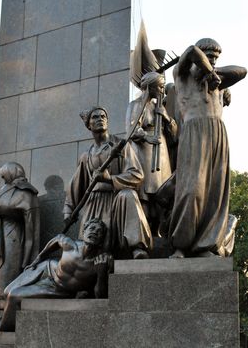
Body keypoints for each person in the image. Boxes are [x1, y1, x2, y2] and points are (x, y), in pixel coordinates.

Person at [169, 38, 247, 258]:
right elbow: (191, 50)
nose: (212, 60)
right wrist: (207, 70)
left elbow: (242, 71)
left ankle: (205, 244)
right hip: (194, 130)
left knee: (215, 192)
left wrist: (214, 74)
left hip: (218, 133)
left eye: (215, 57)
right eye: (209, 56)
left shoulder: (218, 81)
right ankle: (180, 245)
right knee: (191, 189)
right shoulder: (182, 74)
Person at [64, 106, 152, 259]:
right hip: (94, 203)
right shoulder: (86, 156)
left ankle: (137, 247)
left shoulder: (121, 146)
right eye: (95, 117)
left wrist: (110, 179)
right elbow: (76, 184)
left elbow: (137, 175)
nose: (100, 119)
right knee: (88, 254)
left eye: (103, 116)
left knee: (128, 194)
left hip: (116, 199)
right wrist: (68, 210)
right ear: (89, 125)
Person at [0, 218, 113, 331]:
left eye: (99, 232)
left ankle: (3, 326)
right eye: (92, 229)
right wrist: (38, 259)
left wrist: (101, 273)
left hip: (60, 289)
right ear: (84, 230)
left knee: (13, 295)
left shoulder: (103, 259)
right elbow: (57, 238)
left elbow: (101, 297)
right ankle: (7, 315)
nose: (95, 233)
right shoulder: (71, 245)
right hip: (49, 268)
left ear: (102, 238)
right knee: (6, 291)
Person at [125, 72, 178, 231]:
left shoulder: (159, 107)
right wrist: (147, 138)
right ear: (150, 87)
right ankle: (145, 226)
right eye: (160, 87)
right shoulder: (136, 105)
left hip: (161, 152)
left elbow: (174, 134)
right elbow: (131, 129)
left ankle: (162, 226)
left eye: (163, 86)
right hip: (145, 151)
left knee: (163, 188)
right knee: (147, 190)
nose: (162, 90)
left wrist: (166, 117)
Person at [0, 162, 40, 308]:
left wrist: (29, 259)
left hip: (15, 238)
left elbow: (32, 229)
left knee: (9, 272)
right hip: (1, 236)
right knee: (0, 272)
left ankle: (9, 308)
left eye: (5, 176)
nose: (3, 180)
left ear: (12, 173)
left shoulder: (27, 193)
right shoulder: (3, 190)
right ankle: (0, 309)